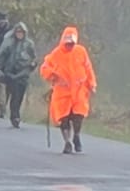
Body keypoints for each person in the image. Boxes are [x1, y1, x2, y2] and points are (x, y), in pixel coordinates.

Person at [41, 25, 96, 154]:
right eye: (67, 43)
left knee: (79, 115)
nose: (69, 45)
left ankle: (76, 135)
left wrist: (92, 84)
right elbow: (44, 68)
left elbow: (88, 69)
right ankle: (67, 142)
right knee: (63, 118)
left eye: (71, 43)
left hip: (79, 91)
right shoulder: (56, 54)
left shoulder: (81, 51)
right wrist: (51, 74)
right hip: (62, 93)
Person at [0, 22, 38, 129]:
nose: (19, 34)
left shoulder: (29, 44)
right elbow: (2, 56)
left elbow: (34, 57)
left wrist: (33, 64)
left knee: (20, 95)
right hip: (11, 73)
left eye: (21, 32)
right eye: (17, 32)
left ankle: (15, 113)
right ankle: (15, 116)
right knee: (15, 95)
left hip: (23, 73)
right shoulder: (9, 43)